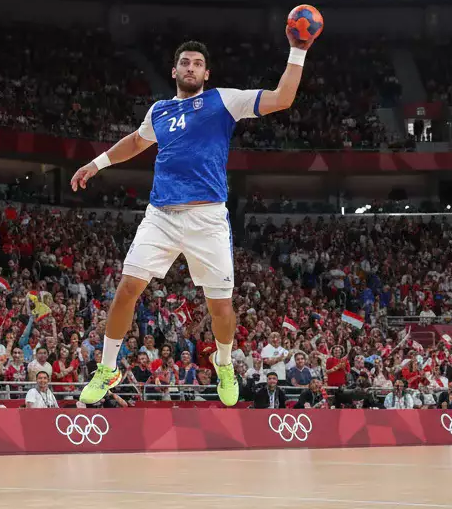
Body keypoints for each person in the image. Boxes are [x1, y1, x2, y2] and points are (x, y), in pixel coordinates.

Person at [71, 29, 317, 407]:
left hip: (208, 219)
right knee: (127, 288)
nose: (191, 67)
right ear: (174, 71)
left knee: (220, 307)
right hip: (161, 216)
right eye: (184, 62)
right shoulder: (159, 111)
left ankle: (224, 363)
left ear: (206, 73)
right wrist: (96, 163)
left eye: (197, 64)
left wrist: (297, 50)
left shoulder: (224, 100)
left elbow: (282, 98)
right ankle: (107, 368)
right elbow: (136, 141)